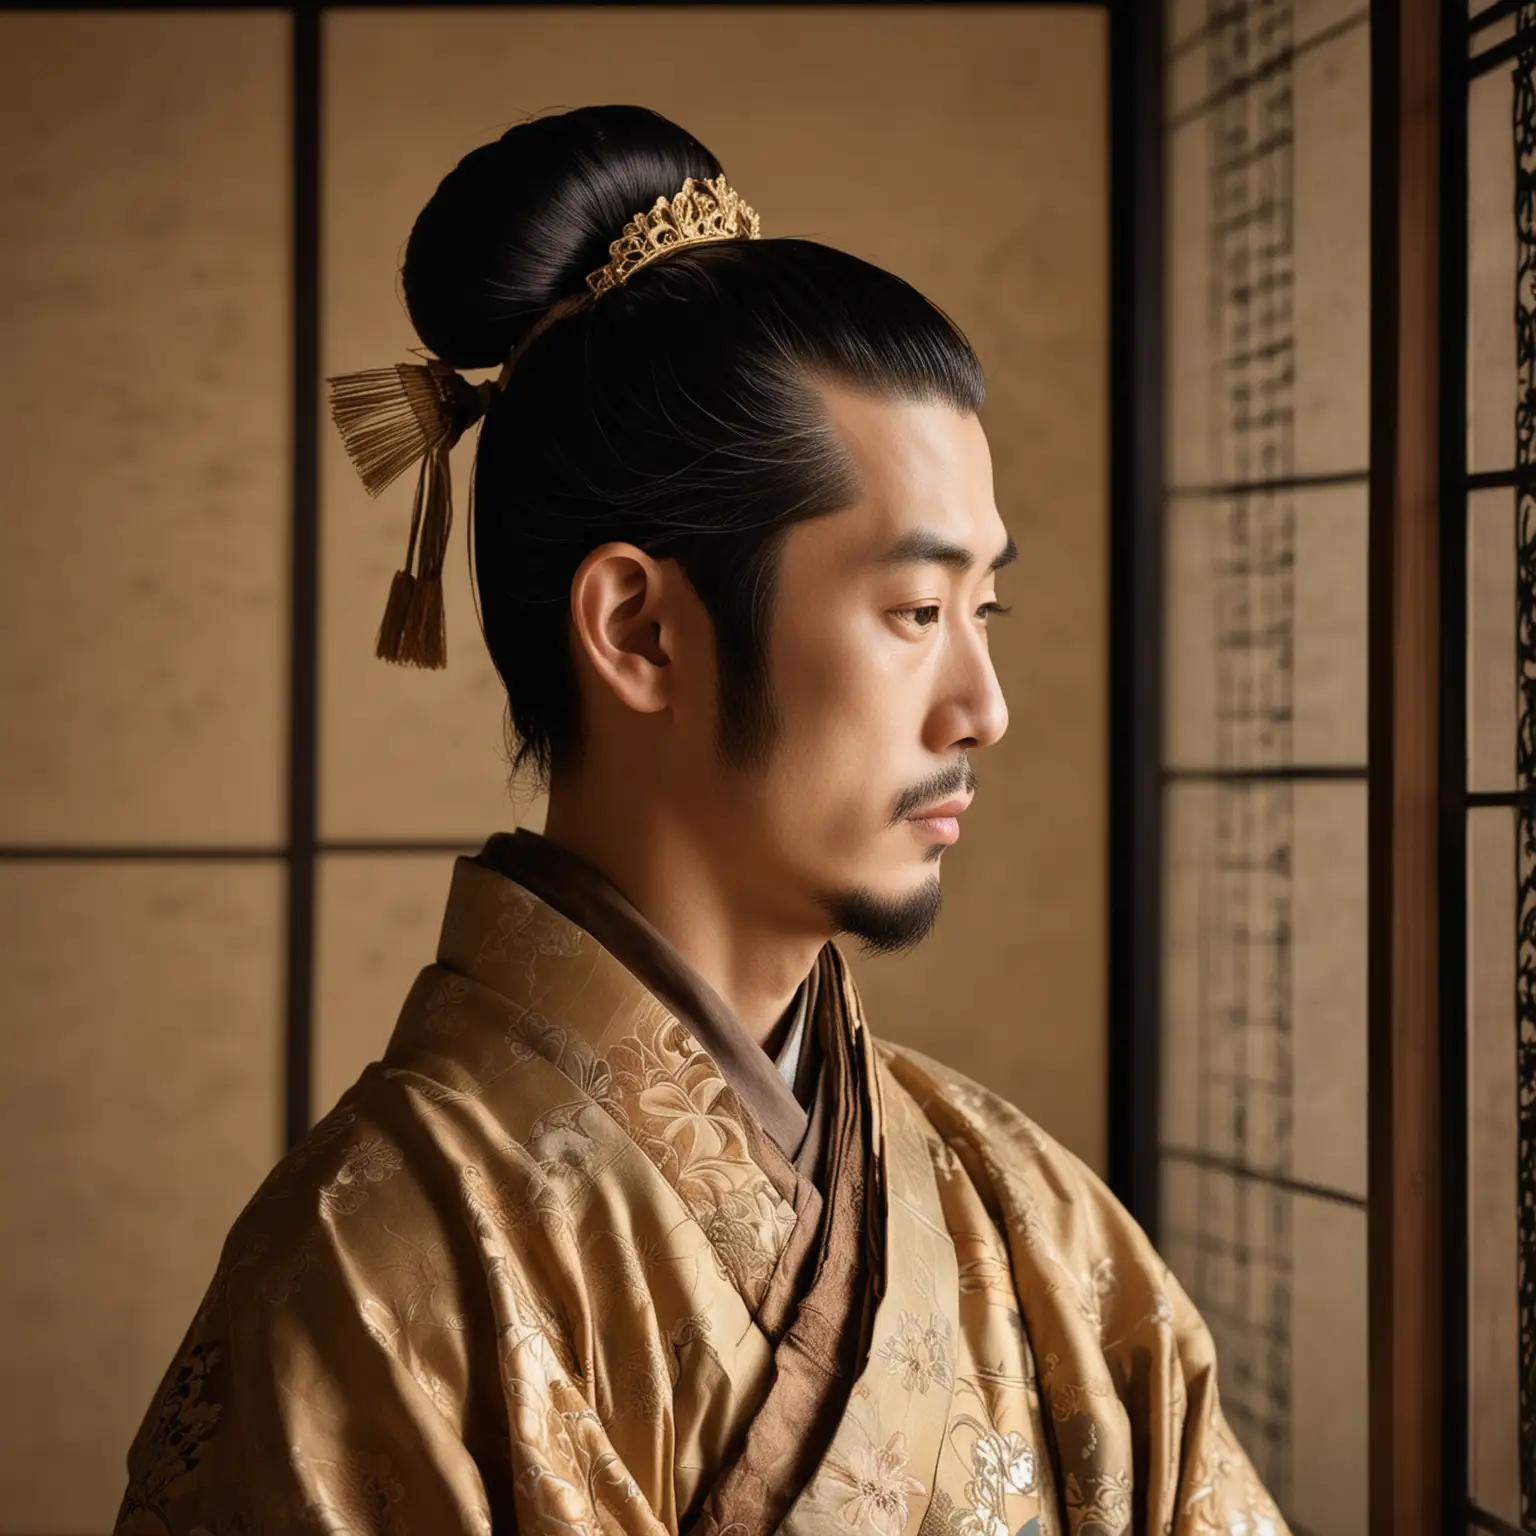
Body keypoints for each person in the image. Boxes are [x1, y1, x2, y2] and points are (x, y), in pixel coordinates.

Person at [114, 105, 1286, 1536]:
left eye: (988, 610)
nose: (985, 704)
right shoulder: (371, 1282)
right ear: (642, 631)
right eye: (916, 613)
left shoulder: (1037, 1222)